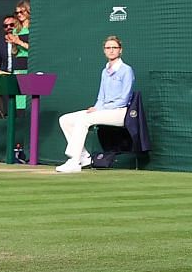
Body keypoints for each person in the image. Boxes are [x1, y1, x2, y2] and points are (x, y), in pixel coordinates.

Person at [54, 35, 135, 173]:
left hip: (120, 112)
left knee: (84, 119)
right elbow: (101, 96)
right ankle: (84, 157)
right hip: (104, 111)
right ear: (104, 51)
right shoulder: (104, 71)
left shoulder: (126, 70)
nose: (111, 50)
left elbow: (124, 99)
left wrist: (100, 109)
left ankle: (74, 161)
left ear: (120, 50)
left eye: (114, 48)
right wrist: (97, 107)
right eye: (108, 48)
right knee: (65, 120)